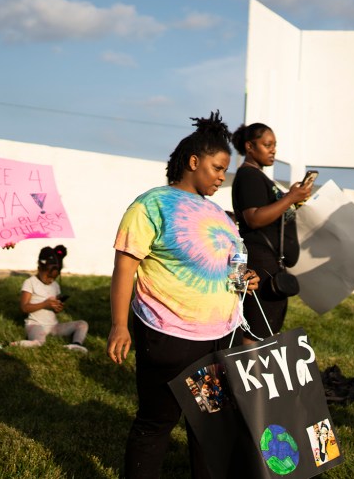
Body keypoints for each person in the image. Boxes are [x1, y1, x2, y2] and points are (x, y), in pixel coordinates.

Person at [108, 111, 258, 479]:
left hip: (217, 340)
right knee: (156, 422)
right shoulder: (151, 204)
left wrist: (246, 278)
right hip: (167, 337)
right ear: (193, 162)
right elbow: (125, 267)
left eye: (226, 170)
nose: (223, 177)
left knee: (208, 428)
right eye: (217, 167)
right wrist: (118, 325)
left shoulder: (221, 215)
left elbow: (231, 264)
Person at [230, 122, 312, 340]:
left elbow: (271, 213)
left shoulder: (259, 176)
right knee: (257, 331)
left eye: (274, 145)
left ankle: (256, 370)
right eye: (267, 145)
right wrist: (289, 198)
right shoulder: (249, 176)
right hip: (260, 263)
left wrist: (292, 200)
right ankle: (249, 371)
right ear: (249, 146)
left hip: (271, 264)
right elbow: (254, 218)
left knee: (267, 329)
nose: (273, 150)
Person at [12, 245, 89, 352]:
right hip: (35, 324)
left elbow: (54, 309)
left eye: (54, 278)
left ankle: (76, 344)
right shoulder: (30, 283)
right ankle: (15, 344)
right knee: (39, 343)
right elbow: (24, 308)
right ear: (39, 268)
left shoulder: (55, 285)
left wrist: (57, 307)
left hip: (53, 326)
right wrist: (45, 304)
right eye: (49, 276)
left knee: (82, 324)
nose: (51, 280)